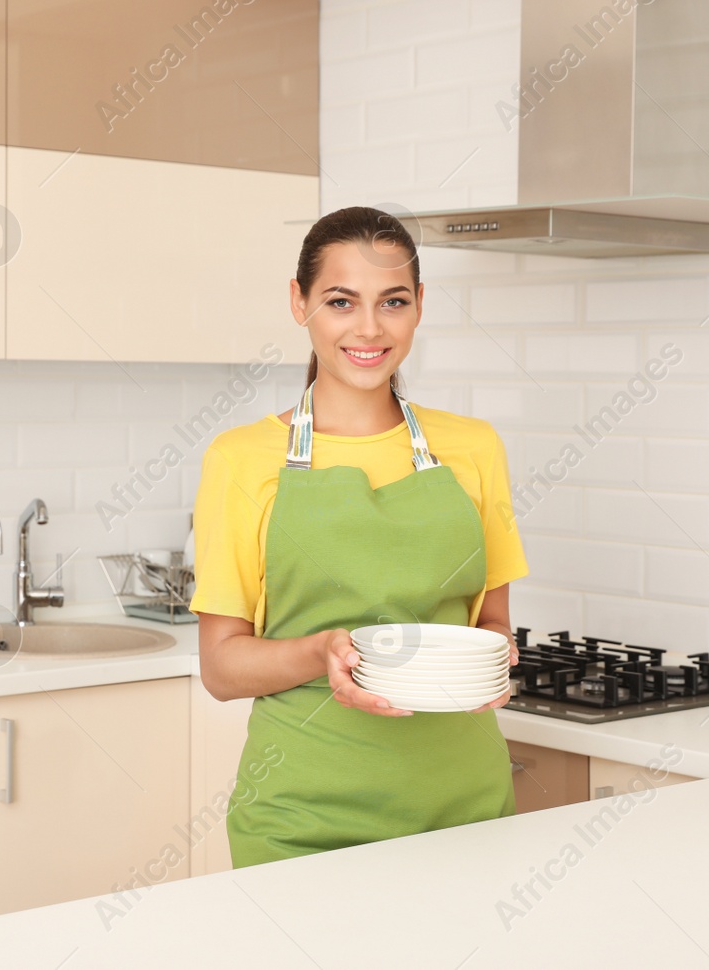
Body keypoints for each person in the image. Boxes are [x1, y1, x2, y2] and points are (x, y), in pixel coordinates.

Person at [190, 206, 528, 868]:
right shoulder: (240, 458)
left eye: (392, 301)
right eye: (341, 301)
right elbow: (222, 668)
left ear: (419, 306)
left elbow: (491, 621)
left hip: (468, 813)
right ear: (300, 302)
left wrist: (493, 659)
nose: (369, 328)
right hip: (305, 823)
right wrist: (321, 651)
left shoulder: (474, 446)